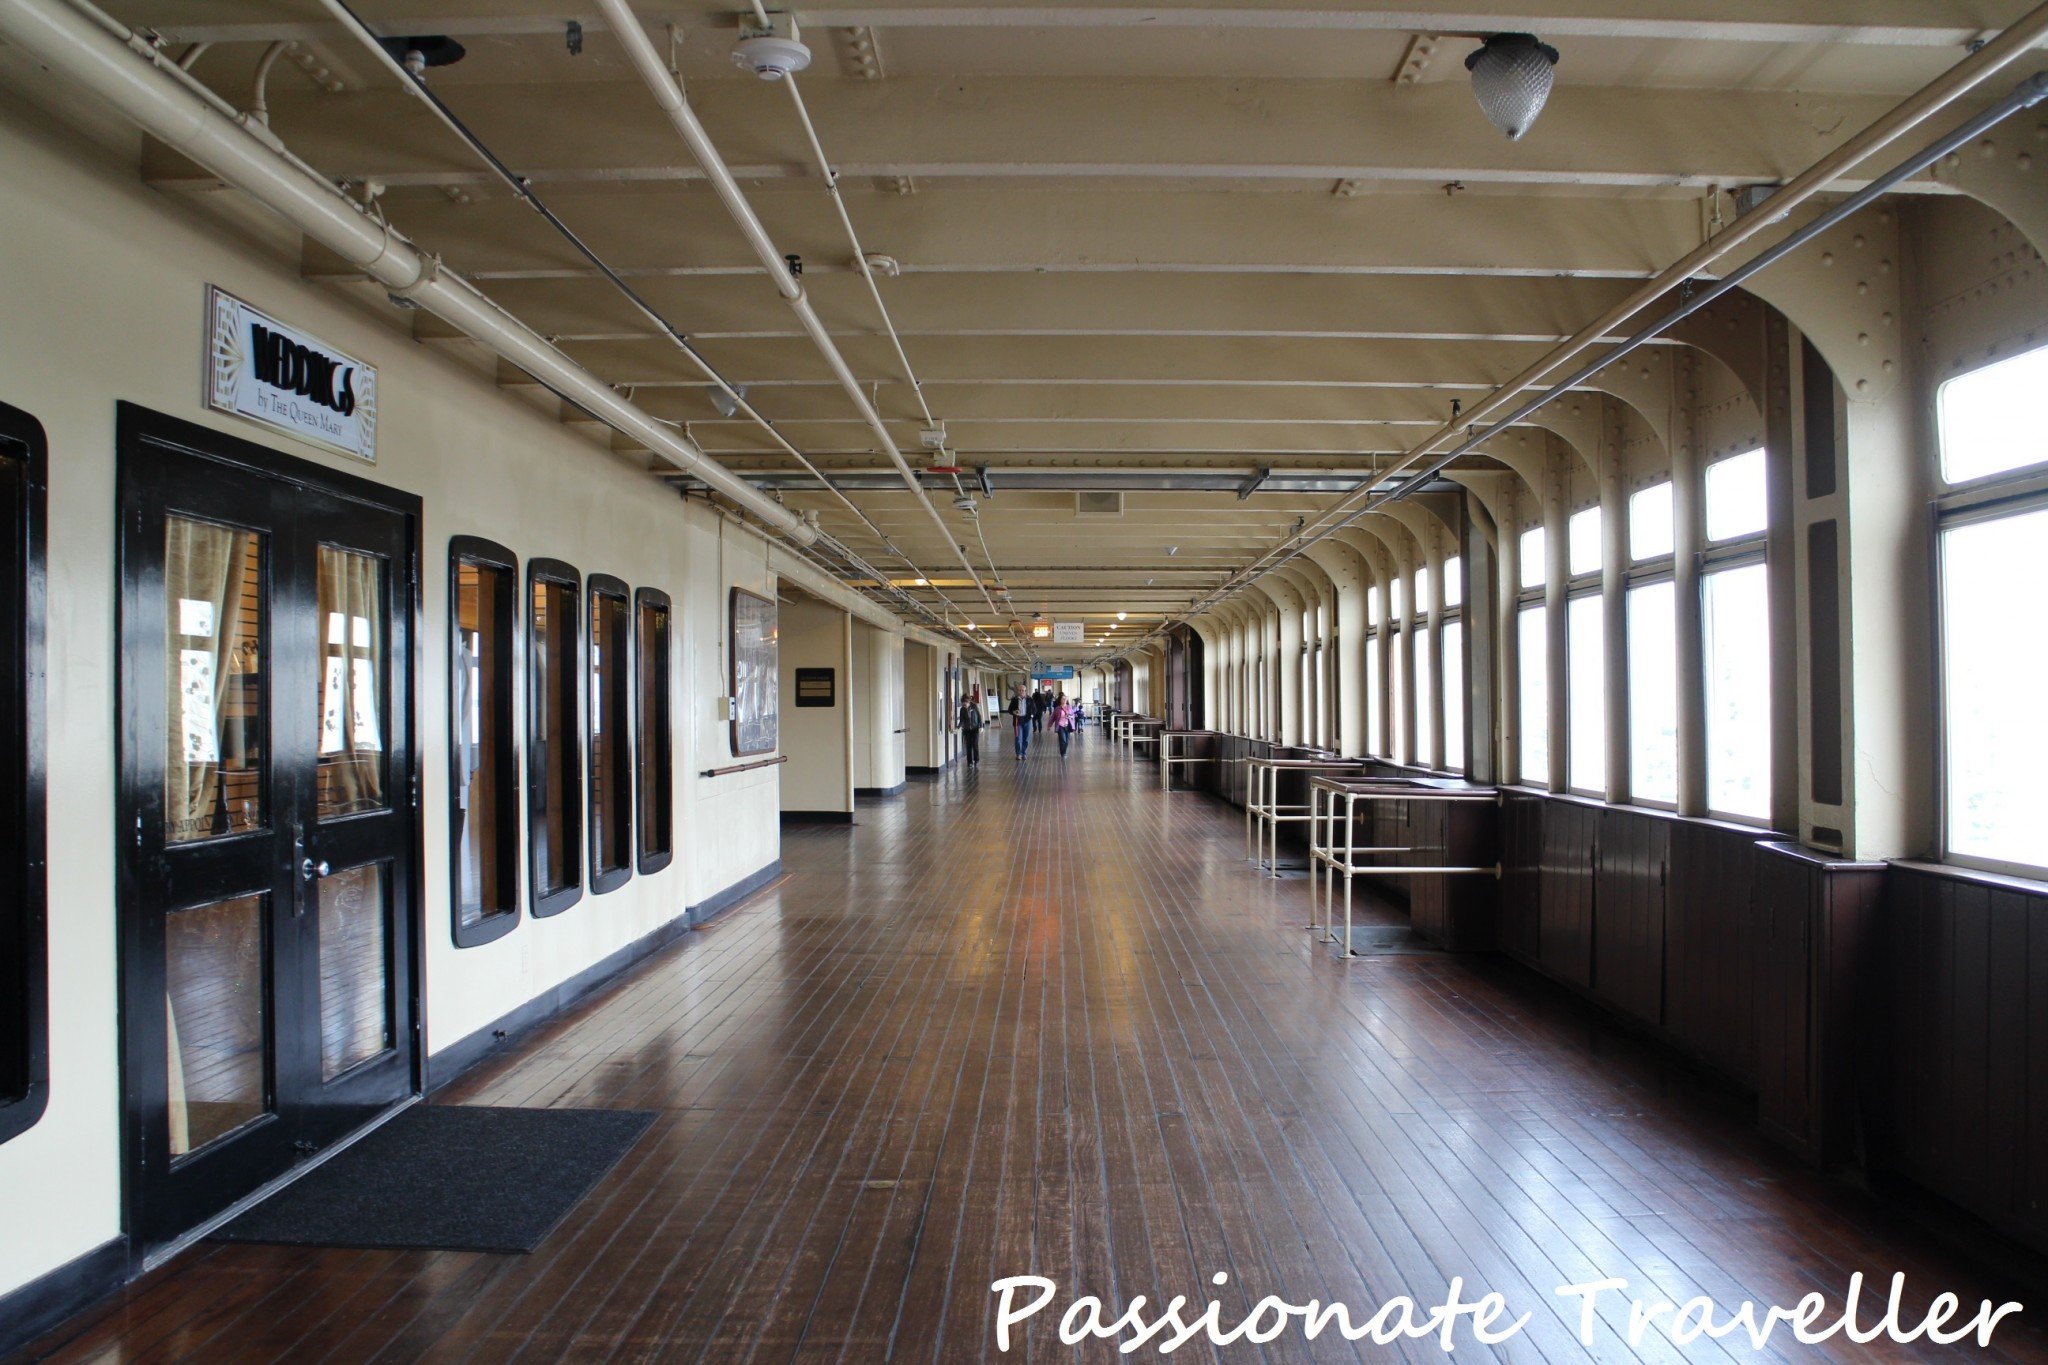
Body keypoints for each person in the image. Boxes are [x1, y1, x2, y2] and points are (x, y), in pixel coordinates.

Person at [958, 686, 984, 765]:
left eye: (965, 703)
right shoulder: (962, 709)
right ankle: (969, 762)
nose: (964, 705)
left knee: (975, 745)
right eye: (963, 703)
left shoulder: (974, 706)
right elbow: (962, 720)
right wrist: (958, 727)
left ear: (968, 702)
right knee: (968, 746)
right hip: (967, 730)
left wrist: (981, 726)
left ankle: (976, 760)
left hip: (975, 728)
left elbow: (979, 716)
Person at [1008, 683, 1031, 759]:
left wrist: (1031, 716)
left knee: (1026, 739)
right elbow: (1009, 710)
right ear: (1018, 691)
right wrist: (1013, 712)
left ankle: (1024, 753)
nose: (1021, 692)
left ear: (1025, 691)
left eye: (1023, 690)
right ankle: (1018, 754)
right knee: (1018, 738)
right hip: (1018, 722)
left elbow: (1034, 709)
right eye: (1020, 690)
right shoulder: (1014, 700)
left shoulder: (1029, 699)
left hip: (1027, 721)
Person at [1052, 694, 1076, 759]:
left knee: (1067, 740)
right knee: (1063, 740)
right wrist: (1049, 725)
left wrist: (1069, 716)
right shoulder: (1057, 708)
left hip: (1067, 726)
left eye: (1065, 698)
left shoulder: (1069, 707)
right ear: (1060, 700)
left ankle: (1063, 751)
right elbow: (1053, 717)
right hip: (1060, 726)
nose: (1064, 700)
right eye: (1063, 698)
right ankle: (1063, 753)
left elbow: (1073, 715)